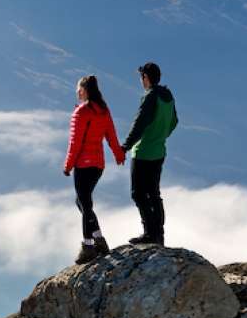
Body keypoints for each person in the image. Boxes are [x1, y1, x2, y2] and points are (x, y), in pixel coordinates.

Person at [62, 74, 126, 264]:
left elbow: (75, 142)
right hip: (98, 165)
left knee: (84, 202)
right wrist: (118, 154)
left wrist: (68, 165)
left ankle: (88, 245)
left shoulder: (81, 112)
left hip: (83, 164)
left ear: (84, 90)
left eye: (78, 90)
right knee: (82, 202)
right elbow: (111, 135)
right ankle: (98, 239)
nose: (77, 93)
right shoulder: (103, 111)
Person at [121, 61, 178, 245]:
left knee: (138, 194)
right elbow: (174, 121)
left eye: (141, 77)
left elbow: (139, 124)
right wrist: (160, 136)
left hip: (143, 151)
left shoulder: (150, 96)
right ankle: (159, 235)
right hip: (159, 151)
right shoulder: (168, 96)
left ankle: (149, 233)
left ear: (146, 78)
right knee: (154, 194)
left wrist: (126, 146)